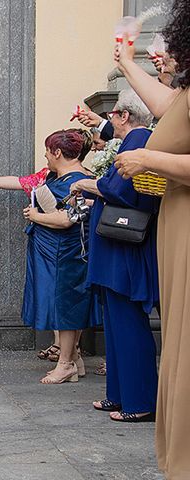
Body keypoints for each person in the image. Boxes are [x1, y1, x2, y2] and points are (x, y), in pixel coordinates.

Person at [112, 2, 190, 475]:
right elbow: (166, 108)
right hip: (177, 220)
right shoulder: (184, 93)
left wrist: (148, 161)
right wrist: (125, 62)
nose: (168, 53)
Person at [0, 130, 99, 383]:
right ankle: (73, 359)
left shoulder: (77, 182)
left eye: (47, 150)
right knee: (67, 304)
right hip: (56, 251)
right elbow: (24, 182)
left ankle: (65, 363)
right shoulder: (60, 176)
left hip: (64, 253)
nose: (45, 155)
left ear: (57, 153)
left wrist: (36, 216)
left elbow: (67, 219)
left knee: (65, 306)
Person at [71, 89, 159, 423]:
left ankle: (139, 401)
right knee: (116, 322)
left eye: (112, 116)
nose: (109, 122)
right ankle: (119, 395)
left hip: (124, 247)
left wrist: (85, 184)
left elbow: (121, 189)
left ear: (123, 115)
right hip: (116, 245)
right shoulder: (134, 137)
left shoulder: (138, 140)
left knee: (128, 323)